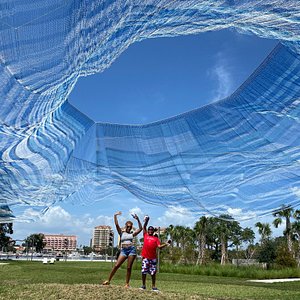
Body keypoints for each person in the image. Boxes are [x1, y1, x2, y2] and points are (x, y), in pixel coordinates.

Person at [102, 211, 142, 288]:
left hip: (131, 250)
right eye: (127, 226)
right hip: (123, 251)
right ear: (125, 226)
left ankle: (127, 284)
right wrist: (115, 215)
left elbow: (140, 228)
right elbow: (116, 224)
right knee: (116, 265)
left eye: (130, 227)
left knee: (129, 267)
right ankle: (108, 280)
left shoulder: (132, 234)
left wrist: (138, 219)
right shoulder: (121, 233)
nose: (129, 228)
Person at [140, 215, 171, 291]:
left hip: (153, 258)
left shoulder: (156, 238)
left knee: (153, 273)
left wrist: (166, 244)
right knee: (144, 272)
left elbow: (159, 246)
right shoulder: (145, 235)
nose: (150, 230)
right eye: (149, 229)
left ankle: (153, 286)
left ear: (153, 231)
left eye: (151, 230)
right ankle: (143, 286)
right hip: (145, 257)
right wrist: (147, 220)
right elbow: (144, 227)